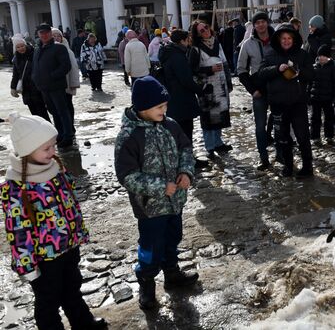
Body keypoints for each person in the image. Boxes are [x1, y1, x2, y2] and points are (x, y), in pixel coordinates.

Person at [1, 112, 107, 329]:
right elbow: (18, 230)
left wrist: (78, 233)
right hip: (44, 259)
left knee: (72, 289)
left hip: (67, 247)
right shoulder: (16, 187)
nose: (53, 151)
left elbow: (70, 204)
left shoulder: (56, 169)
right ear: (27, 150)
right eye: (46, 148)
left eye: (53, 146)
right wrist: (28, 265)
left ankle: (84, 323)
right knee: (48, 302)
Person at [114, 77, 199, 310]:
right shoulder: (129, 136)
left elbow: (186, 149)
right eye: (159, 107)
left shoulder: (170, 125)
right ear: (142, 108)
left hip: (175, 202)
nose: (165, 110)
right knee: (151, 246)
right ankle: (147, 284)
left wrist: (186, 172)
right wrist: (160, 186)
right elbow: (127, 175)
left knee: (173, 237)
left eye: (165, 106)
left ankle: (172, 273)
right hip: (150, 207)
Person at [258, 23, 314, 178]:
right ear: (278, 39)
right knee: (282, 138)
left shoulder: (302, 54)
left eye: (289, 38)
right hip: (278, 104)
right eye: (283, 38)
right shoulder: (269, 53)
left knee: (302, 136)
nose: (286, 41)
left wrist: (299, 72)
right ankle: (288, 165)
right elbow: (261, 73)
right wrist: (277, 69)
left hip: (298, 102)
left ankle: (307, 167)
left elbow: (311, 74)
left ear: (294, 39)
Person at [159, 29, 211, 169]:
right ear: (182, 41)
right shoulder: (177, 56)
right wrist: (201, 90)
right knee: (185, 132)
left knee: (179, 132)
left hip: (174, 99)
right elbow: (186, 80)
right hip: (181, 99)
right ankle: (187, 163)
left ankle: (183, 161)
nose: (189, 42)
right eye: (187, 39)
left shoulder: (170, 53)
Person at [237, 11, 276, 170]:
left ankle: (281, 154)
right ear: (254, 25)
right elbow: (241, 69)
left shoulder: (277, 39)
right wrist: (252, 90)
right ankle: (263, 158)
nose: (260, 25)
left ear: (267, 23)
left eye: (263, 21)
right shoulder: (248, 44)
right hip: (259, 90)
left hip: (276, 89)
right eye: (257, 22)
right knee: (260, 125)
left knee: (280, 123)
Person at [189, 20, 233, 156]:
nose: (206, 31)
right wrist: (209, 69)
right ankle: (210, 146)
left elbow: (224, 63)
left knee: (219, 115)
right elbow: (192, 70)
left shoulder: (216, 43)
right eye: (202, 30)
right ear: (197, 34)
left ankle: (218, 143)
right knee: (208, 117)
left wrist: (229, 82)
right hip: (207, 88)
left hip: (220, 84)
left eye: (206, 27)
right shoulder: (195, 49)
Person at [31, 23, 74, 148]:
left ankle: (68, 136)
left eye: (46, 32)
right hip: (44, 87)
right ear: (38, 35)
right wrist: (35, 78)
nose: (44, 35)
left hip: (56, 86)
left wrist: (51, 76)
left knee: (62, 111)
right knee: (54, 112)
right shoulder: (38, 49)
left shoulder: (59, 48)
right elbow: (35, 66)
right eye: (41, 33)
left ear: (50, 33)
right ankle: (60, 134)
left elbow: (66, 66)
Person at [10, 36, 51, 122]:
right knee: (34, 114)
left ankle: (50, 130)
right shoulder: (16, 59)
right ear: (15, 48)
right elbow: (15, 75)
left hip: (37, 87)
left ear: (25, 45)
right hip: (26, 90)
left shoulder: (34, 54)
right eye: (18, 47)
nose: (21, 48)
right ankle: (39, 132)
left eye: (22, 46)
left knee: (42, 112)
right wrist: (13, 88)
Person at [52, 28, 80, 136]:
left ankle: (70, 127)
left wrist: (73, 83)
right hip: (54, 86)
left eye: (58, 36)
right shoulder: (48, 51)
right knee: (58, 109)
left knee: (67, 106)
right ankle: (62, 128)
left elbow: (74, 68)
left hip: (67, 85)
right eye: (53, 36)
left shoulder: (67, 50)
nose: (56, 38)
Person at [309, 44, 335, 143]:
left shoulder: (333, 69)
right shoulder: (313, 67)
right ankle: (315, 136)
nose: (322, 58)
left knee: (329, 118)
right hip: (316, 97)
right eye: (320, 56)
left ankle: (329, 135)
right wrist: (308, 95)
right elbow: (309, 83)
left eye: (324, 56)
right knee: (315, 118)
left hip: (328, 98)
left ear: (328, 57)